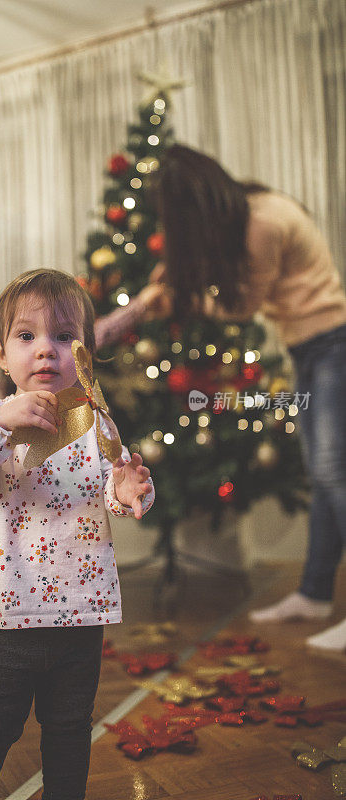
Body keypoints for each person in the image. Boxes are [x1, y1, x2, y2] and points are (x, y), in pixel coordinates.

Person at [95, 143, 346, 652]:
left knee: (334, 473)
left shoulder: (262, 224)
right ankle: (316, 594)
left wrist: (177, 298)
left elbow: (241, 306)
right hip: (313, 347)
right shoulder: (252, 211)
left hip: (332, 344)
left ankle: (320, 594)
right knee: (325, 478)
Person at [0, 268, 154, 800]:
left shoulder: (96, 424)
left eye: (64, 336)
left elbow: (112, 490)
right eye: (27, 336)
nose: (45, 351)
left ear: (85, 351)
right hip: (7, 613)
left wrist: (129, 492)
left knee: (69, 732)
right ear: (0, 352)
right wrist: (0, 421)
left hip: (83, 613)